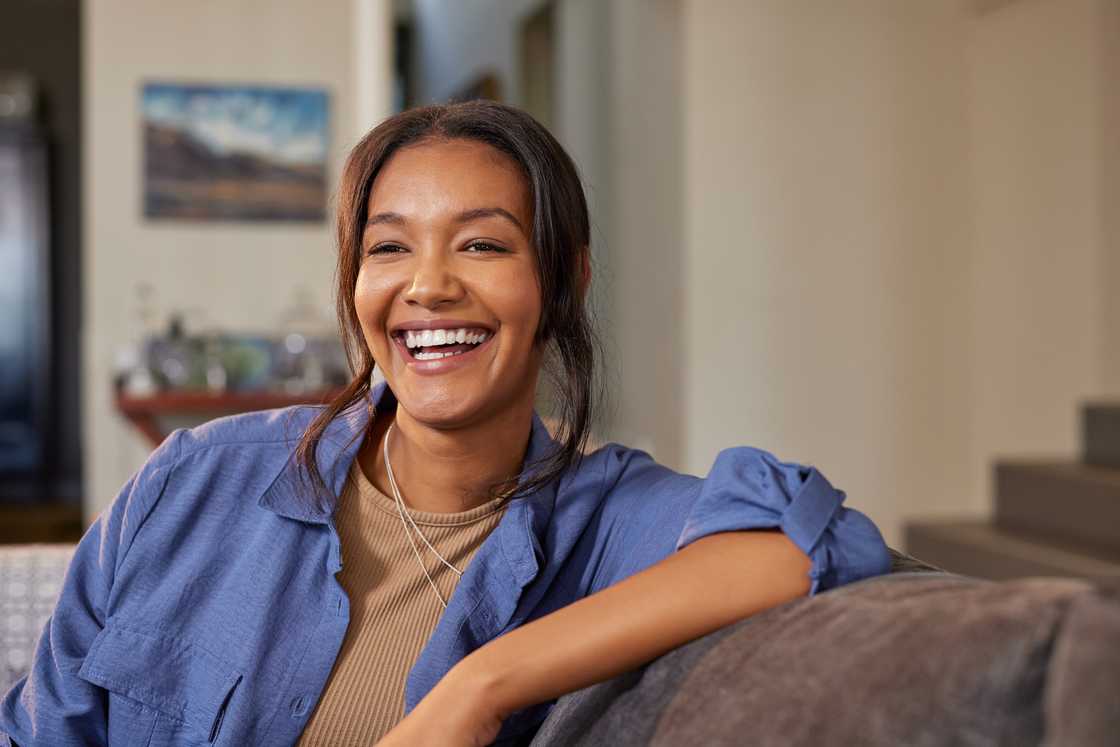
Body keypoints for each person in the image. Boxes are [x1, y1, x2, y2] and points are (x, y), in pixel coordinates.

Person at [0, 100, 890, 747]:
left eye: (483, 244)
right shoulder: (193, 477)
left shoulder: (607, 521)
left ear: (564, 282)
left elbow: (814, 540)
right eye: (389, 247)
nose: (428, 286)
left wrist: (482, 683)